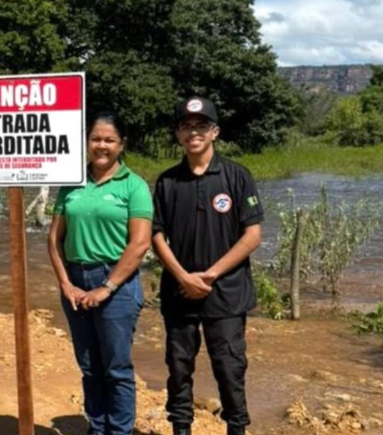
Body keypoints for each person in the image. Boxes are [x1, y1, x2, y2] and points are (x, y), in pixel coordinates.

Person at [151, 97, 263, 435]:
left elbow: (252, 235)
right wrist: (183, 276)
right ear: (178, 134)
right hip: (179, 293)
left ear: (214, 132)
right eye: (186, 127)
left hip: (226, 294)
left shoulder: (237, 176)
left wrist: (211, 274)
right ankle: (181, 429)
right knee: (179, 367)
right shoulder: (168, 182)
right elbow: (155, 234)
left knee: (229, 368)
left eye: (201, 126)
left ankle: (237, 429)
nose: (193, 133)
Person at [47, 112, 153, 435]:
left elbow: (139, 244)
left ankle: (119, 431)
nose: (101, 146)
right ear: (87, 142)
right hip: (75, 283)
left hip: (117, 286)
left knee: (117, 369)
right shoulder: (72, 184)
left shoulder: (134, 187)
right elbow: (54, 239)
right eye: (96, 139)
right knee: (90, 367)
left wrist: (106, 287)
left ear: (121, 145)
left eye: (109, 140)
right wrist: (66, 284)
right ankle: (97, 427)